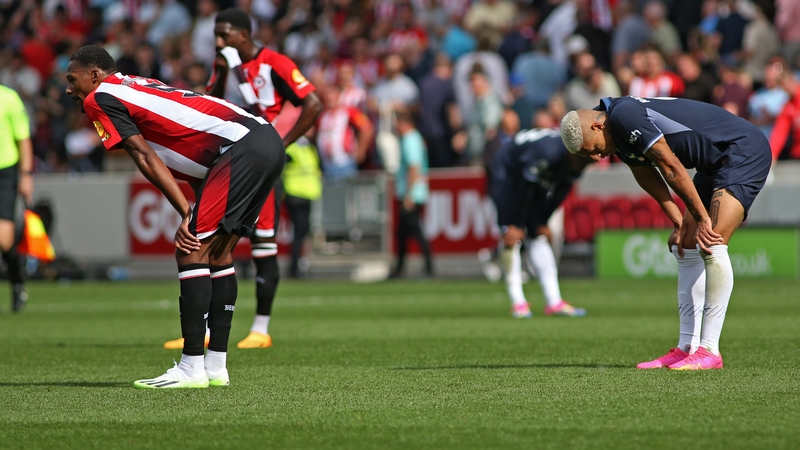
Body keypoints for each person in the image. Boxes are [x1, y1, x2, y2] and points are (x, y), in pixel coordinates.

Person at [65, 45, 285, 387]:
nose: (68, 89)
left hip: (240, 149)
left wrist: (186, 211)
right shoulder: (133, 84)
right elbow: (195, 152)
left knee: (190, 248)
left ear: (94, 75)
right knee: (219, 253)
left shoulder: (100, 97)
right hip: (264, 140)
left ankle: (190, 367)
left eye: (72, 79)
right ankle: (216, 367)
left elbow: (143, 155)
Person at [560, 96, 772, 370]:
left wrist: (702, 218)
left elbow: (670, 165)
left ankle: (710, 350)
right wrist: (678, 221)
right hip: (713, 163)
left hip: (741, 149)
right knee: (685, 245)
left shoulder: (624, 116)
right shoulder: (615, 131)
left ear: (597, 127)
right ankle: (687, 347)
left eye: (593, 149)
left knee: (712, 241)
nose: (596, 157)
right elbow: (644, 173)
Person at [163, 8, 322, 351]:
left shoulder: (275, 63)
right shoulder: (225, 65)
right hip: (226, 161)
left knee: (263, 243)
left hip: (258, 162)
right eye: (216, 35)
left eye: (225, 35)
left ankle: (261, 328)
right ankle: (203, 329)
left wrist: (282, 143)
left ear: (244, 35)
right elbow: (210, 105)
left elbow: (313, 103)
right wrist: (222, 72)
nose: (219, 42)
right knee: (210, 241)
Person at [490, 128, 591, 319]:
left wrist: (542, 221)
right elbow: (524, 186)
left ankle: (554, 301)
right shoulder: (548, 153)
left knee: (537, 233)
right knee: (511, 233)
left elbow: (561, 191)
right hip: (509, 169)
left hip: (529, 175)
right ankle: (518, 302)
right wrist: (517, 223)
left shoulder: (579, 157)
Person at [0, 84, 34, 313]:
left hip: (5, 171)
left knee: (4, 240)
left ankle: (17, 281)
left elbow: (23, 139)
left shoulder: (8, 98)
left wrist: (26, 175)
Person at [390, 108, 433, 279]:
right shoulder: (414, 138)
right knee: (403, 233)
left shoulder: (410, 139)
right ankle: (400, 268)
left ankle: (428, 267)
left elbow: (414, 167)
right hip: (414, 192)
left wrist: (409, 194)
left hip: (412, 194)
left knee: (416, 231)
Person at [282, 133, 322, 278]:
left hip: (307, 194)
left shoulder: (309, 147)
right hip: (295, 194)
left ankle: (298, 264)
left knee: (303, 232)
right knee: (299, 233)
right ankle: (295, 267)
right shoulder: (294, 148)